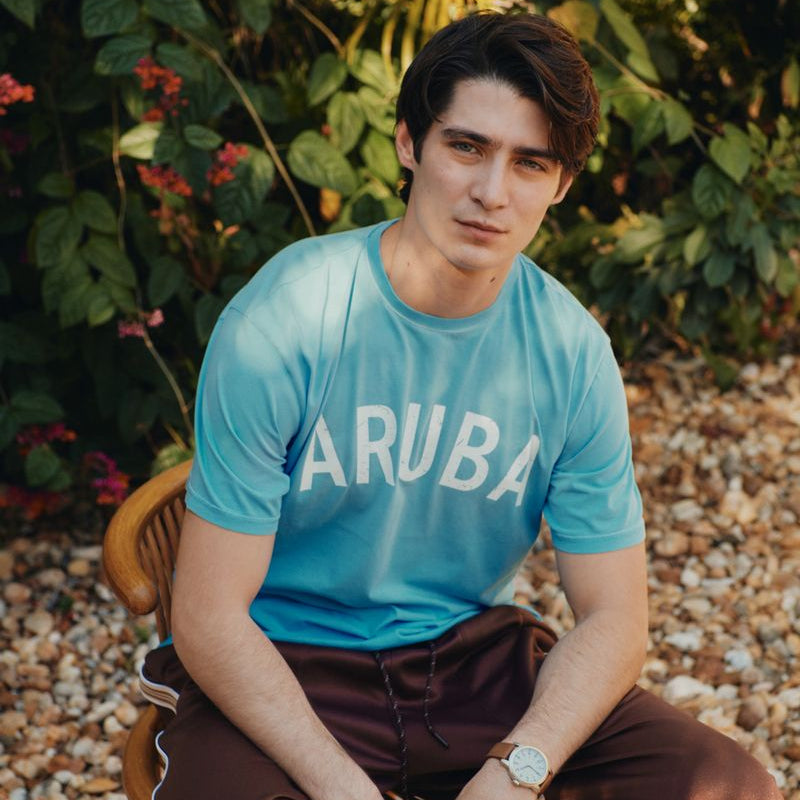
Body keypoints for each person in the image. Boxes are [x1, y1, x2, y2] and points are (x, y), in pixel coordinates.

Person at [139, 12, 782, 800]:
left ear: (561, 184)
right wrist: (340, 788)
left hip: (468, 667)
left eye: (529, 163)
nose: (490, 193)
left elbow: (615, 619)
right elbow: (208, 616)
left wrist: (518, 770)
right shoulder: (285, 321)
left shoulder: (571, 355)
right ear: (411, 143)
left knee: (723, 783)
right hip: (284, 659)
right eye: (466, 146)